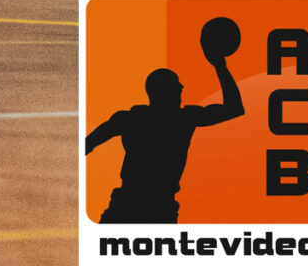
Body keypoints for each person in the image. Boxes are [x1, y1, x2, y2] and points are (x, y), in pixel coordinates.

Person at [86, 42, 246, 224]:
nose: (182, 87)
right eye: (176, 85)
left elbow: (89, 142)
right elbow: (234, 108)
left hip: (130, 206)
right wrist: (219, 66)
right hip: (155, 209)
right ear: (165, 91)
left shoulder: (130, 118)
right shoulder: (183, 119)